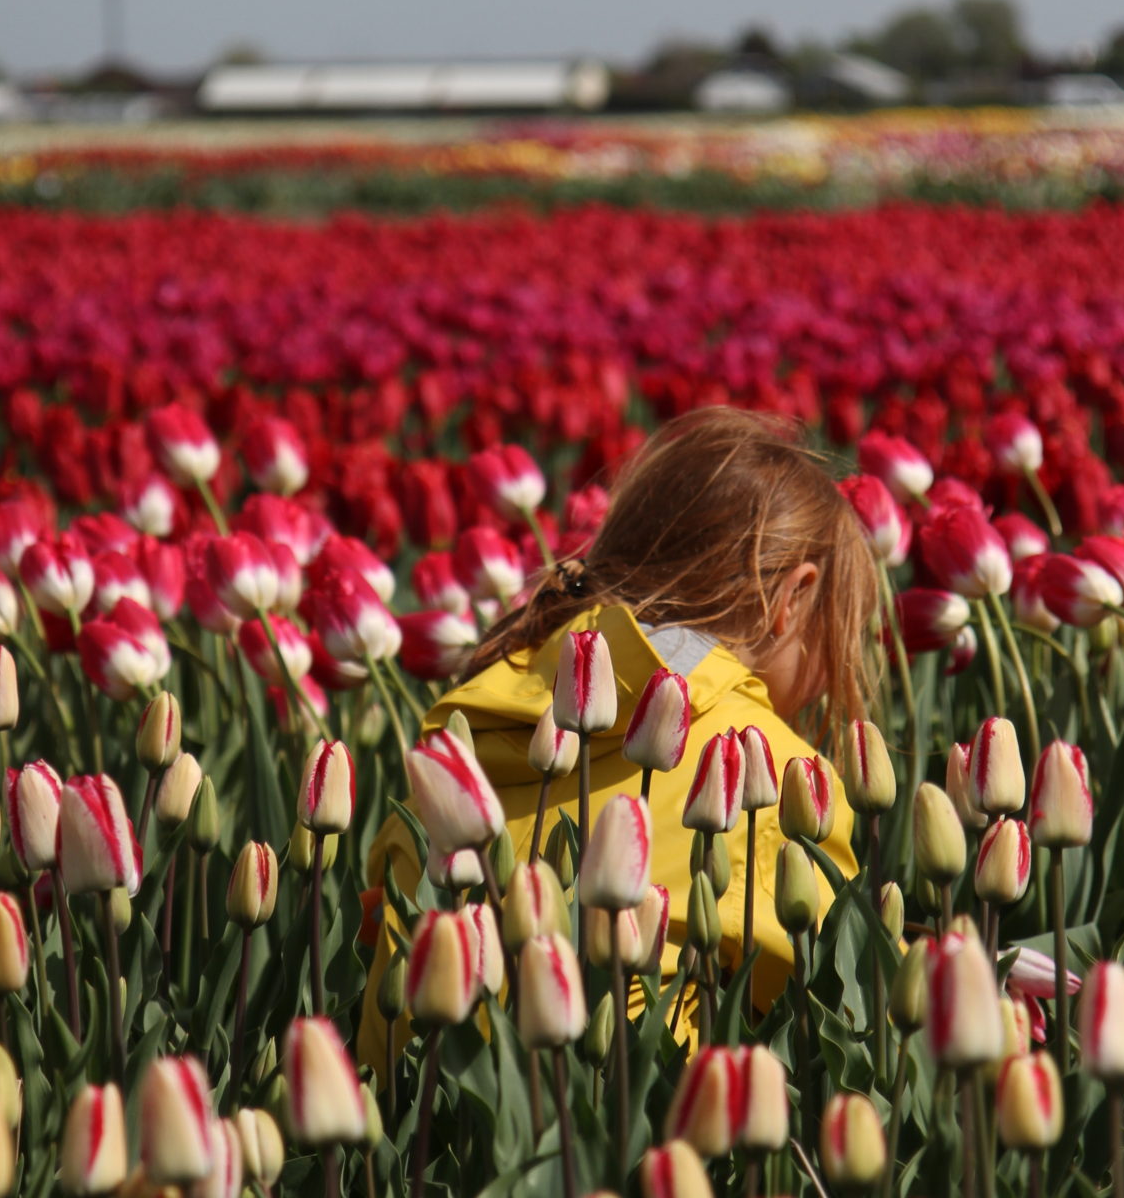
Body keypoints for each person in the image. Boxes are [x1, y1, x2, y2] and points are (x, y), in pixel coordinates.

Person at [358, 406, 880, 1073]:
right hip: (630, 1138)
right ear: (792, 599)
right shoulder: (769, 771)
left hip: (413, 1122)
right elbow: (834, 1006)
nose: (835, 676)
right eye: (839, 633)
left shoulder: (477, 712)